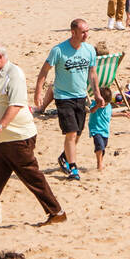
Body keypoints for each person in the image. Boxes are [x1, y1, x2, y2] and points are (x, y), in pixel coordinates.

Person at [0, 43, 65, 230]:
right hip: (0, 140)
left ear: (0, 57)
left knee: (31, 176)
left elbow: (16, 105)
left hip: (17, 138)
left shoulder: (14, 74)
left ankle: (56, 212)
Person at [34, 18, 103, 182]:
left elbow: (92, 74)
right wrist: (38, 92)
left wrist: (97, 94)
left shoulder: (89, 50)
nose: (86, 35)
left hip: (81, 96)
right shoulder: (58, 50)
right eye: (83, 32)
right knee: (71, 133)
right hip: (63, 97)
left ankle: (64, 157)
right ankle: (73, 168)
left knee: (77, 133)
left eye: (88, 31)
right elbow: (44, 71)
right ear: (73, 32)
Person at [86, 85, 129, 171]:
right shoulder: (95, 104)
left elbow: (111, 114)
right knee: (99, 146)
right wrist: (98, 105)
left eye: (106, 103)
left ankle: (100, 161)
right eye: (103, 103)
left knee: (103, 147)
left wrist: (123, 114)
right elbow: (91, 110)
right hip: (96, 129)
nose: (104, 105)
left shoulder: (108, 106)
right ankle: (99, 164)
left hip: (105, 131)